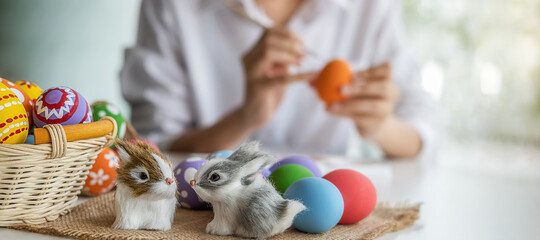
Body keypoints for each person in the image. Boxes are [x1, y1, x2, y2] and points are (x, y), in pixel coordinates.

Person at [120, 0, 436, 159]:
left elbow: (423, 131)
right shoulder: (173, 6)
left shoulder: (371, 7)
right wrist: (245, 118)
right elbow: (152, 149)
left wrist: (381, 127)